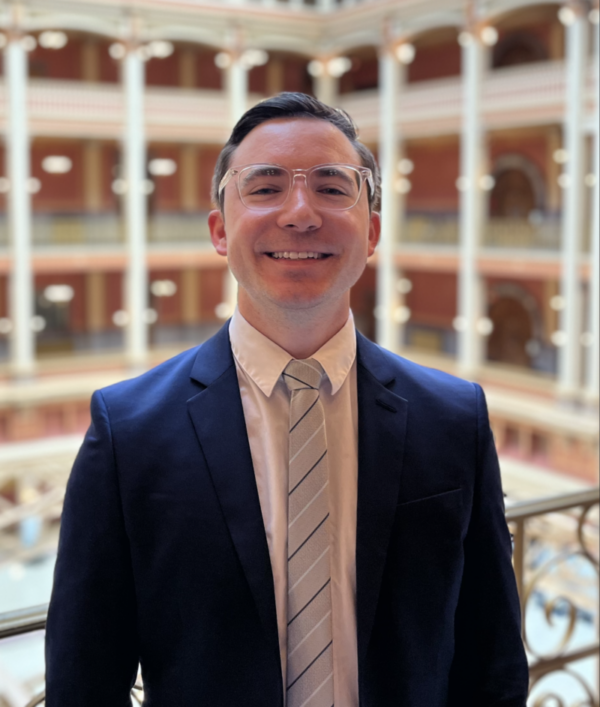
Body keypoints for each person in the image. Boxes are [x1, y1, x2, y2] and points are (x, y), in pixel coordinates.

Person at [45, 92, 529, 706]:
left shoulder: (455, 418)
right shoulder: (128, 432)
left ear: (372, 230)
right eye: (266, 187)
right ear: (220, 230)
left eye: (332, 188)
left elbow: (493, 661)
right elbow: (85, 681)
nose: (300, 214)